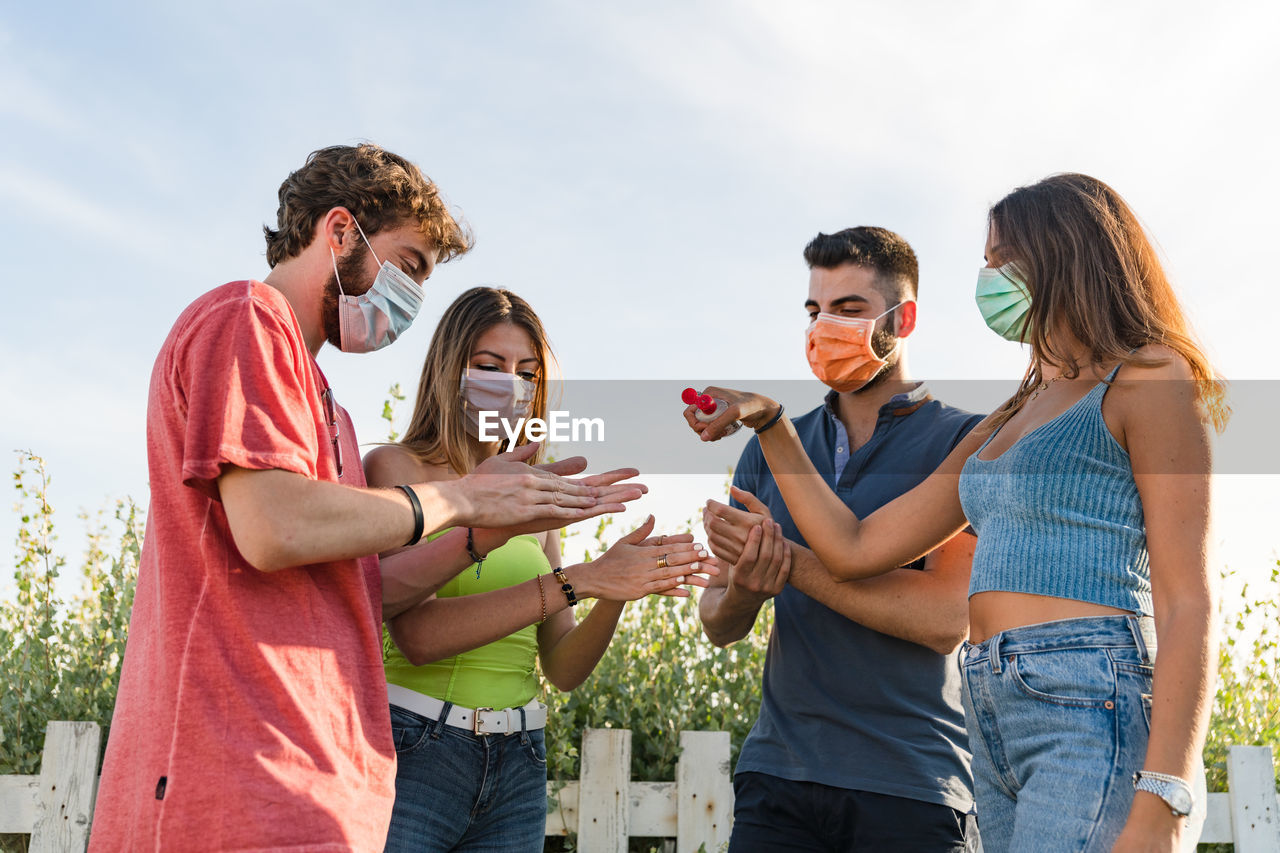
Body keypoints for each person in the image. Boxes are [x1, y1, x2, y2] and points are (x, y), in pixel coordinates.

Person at [89, 144, 643, 852]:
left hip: (313, 784)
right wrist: (465, 503)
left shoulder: (333, 414)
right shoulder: (245, 318)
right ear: (341, 231)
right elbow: (271, 526)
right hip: (233, 784)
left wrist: (505, 537)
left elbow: (371, 592)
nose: (409, 298)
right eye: (409, 266)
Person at [688, 174, 1226, 853]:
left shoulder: (1148, 376)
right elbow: (855, 546)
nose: (989, 277)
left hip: (1092, 698)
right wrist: (770, 422)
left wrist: (1165, 797)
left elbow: (1189, 602)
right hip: (993, 712)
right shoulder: (1008, 417)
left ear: (1064, 252)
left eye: (1004, 258)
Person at [364, 286, 713, 852]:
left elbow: (563, 667)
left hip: (520, 762)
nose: (512, 385)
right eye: (489, 366)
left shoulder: (536, 496)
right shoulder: (397, 468)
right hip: (416, 750)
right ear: (448, 371)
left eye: (527, 373)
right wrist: (578, 580)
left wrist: (615, 585)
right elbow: (419, 636)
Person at [694, 226, 982, 852]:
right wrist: (747, 583)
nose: (825, 326)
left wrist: (793, 564)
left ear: (901, 319)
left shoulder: (969, 444)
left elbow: (943, 620)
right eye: (814, 310)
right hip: (777, 777)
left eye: (848, 310)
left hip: (912, 784)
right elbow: (718, 622)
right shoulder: (769, 451)